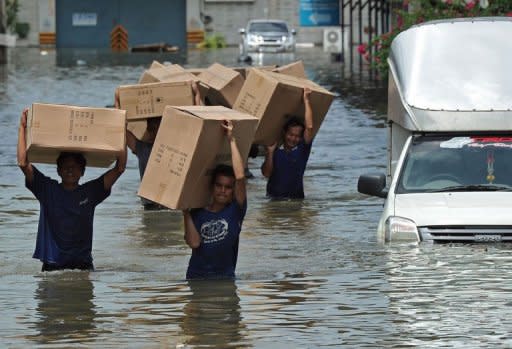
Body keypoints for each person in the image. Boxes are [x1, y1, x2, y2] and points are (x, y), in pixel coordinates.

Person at [17, 108, 127, 272]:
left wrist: (121, 132)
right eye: (65, 167)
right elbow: (23, 163)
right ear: (58, 170)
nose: (70, 170)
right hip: (52, 266)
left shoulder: (91, 191)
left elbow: (119, 168)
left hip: (82, 266)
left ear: (83, 171)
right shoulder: (47, 189)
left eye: (75, 167)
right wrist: (23, 127)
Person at [122, 80, 203, 209]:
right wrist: (117, 98)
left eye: (161, 127)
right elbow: (120, 126)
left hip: (172, 206)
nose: (158, 132)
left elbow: (199, 123)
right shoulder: (142, 149)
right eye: (154, 128)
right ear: (149, 129)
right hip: (151, 207)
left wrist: (196, 93)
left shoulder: (179, 148)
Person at [182, 120, 247, 280]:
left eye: (228, 187)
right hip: (196, 278)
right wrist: (185, 212)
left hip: (224, 278)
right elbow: (194, 243)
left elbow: (240, 177)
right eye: (219, 185)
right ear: (212, 187)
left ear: (233, 191)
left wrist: (231, 139)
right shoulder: (197, 212)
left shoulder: (236, 210)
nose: (223, 191)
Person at [261, 87, 314, 199]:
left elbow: (309, 127)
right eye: (290, 134)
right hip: (273, 200)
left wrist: (306, 100)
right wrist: (269, 153)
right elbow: (266, 174)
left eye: (297, 136)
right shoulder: (275, 151)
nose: (293, 139)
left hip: (296, 200)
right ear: (284, 133)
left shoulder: (302, 150)